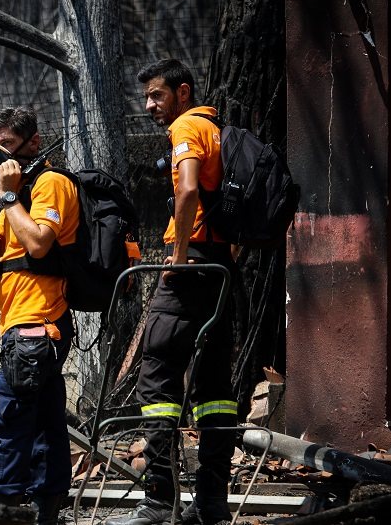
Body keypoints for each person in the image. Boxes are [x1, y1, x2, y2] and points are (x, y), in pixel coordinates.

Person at [105, 59, 238, 525]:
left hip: (190, 268)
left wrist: (178, 256)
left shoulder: (186, 126)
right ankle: (211, 503)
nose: (149, 105)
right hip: (220, 271)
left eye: (156, 95)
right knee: (215, 390)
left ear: (182, 92)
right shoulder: (219, 130)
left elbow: (186, 191)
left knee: (158, 377)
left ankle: (160, 500)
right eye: (146, 97)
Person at [0, 106, 79, 525]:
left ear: (33, 143)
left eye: (7, 144)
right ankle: (47, 511)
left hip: (38, 324)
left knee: (7, 423)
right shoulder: (13, 194)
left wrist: (9, 196)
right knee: (46, 423)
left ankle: (1, 512)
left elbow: (38, 244)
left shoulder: (50, 184)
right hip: (20, 325)